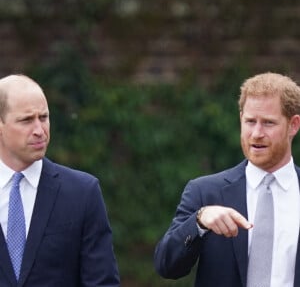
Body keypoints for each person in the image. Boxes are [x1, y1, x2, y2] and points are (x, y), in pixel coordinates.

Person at [154, 72, 300, 287]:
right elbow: (166, 266)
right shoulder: (205, 192)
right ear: (241, 118)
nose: (256, 133)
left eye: (268, 123)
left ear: (293, 125)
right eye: (250, 121)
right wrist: (198, 222)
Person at [0, 74, 120, 286]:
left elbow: (102, 281)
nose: (39, 131)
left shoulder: (82, 193)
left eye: (44, 117)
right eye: (26, 120)